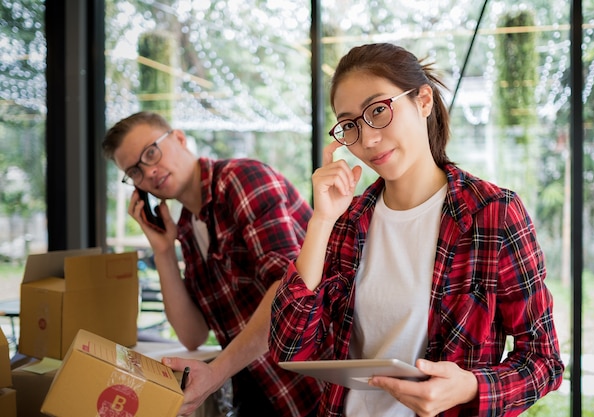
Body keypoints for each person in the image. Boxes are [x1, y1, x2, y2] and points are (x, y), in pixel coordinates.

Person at [268, 43, 564, 417]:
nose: (368, 139)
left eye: (378, 110)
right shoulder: (347, 222)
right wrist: (322, 220)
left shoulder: (492, 214)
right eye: (350, 125)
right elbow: (288, 346)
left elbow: (543, 359)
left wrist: (470, 387)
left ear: (423, 100)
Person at [102, 111, 323, 417]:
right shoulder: (188, 226)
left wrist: (216, 373)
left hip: (314, 385)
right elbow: (192, 334)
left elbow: (288, 293)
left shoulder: (242, 180)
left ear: (179, 138)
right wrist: (164, 252)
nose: (149, 172)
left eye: (151, 153)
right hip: (261, 387)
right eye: (135, 172)